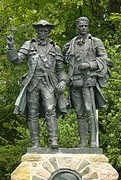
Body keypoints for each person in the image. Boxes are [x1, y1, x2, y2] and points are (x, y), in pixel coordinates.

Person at [7, 20, 68, 149]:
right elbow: (16, 61)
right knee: (32, 112)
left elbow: (61, 69)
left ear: (49, 32)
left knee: (51, 109)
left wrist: (63, 81)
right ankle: (35, 142)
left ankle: (54, 140)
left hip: (49, 83)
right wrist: (11, 47)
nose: (43, 33)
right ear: (37, 31)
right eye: (40, 30)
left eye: (45, 31)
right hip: (33, 82)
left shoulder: (55, 48)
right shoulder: (29, 45)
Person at [64, 17, 111, 148]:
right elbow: (64, 59)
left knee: (90, 110)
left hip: (88, 80)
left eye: (85, 26)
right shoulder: (72, 42)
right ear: (77, 28)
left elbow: (104, 60)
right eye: (80, 26)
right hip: (74, 81)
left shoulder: (95, 42)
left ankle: (93, 142)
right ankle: (83, 142)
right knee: (79, 112)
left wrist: (89, 65)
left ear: (88, 27)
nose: (83, 28)